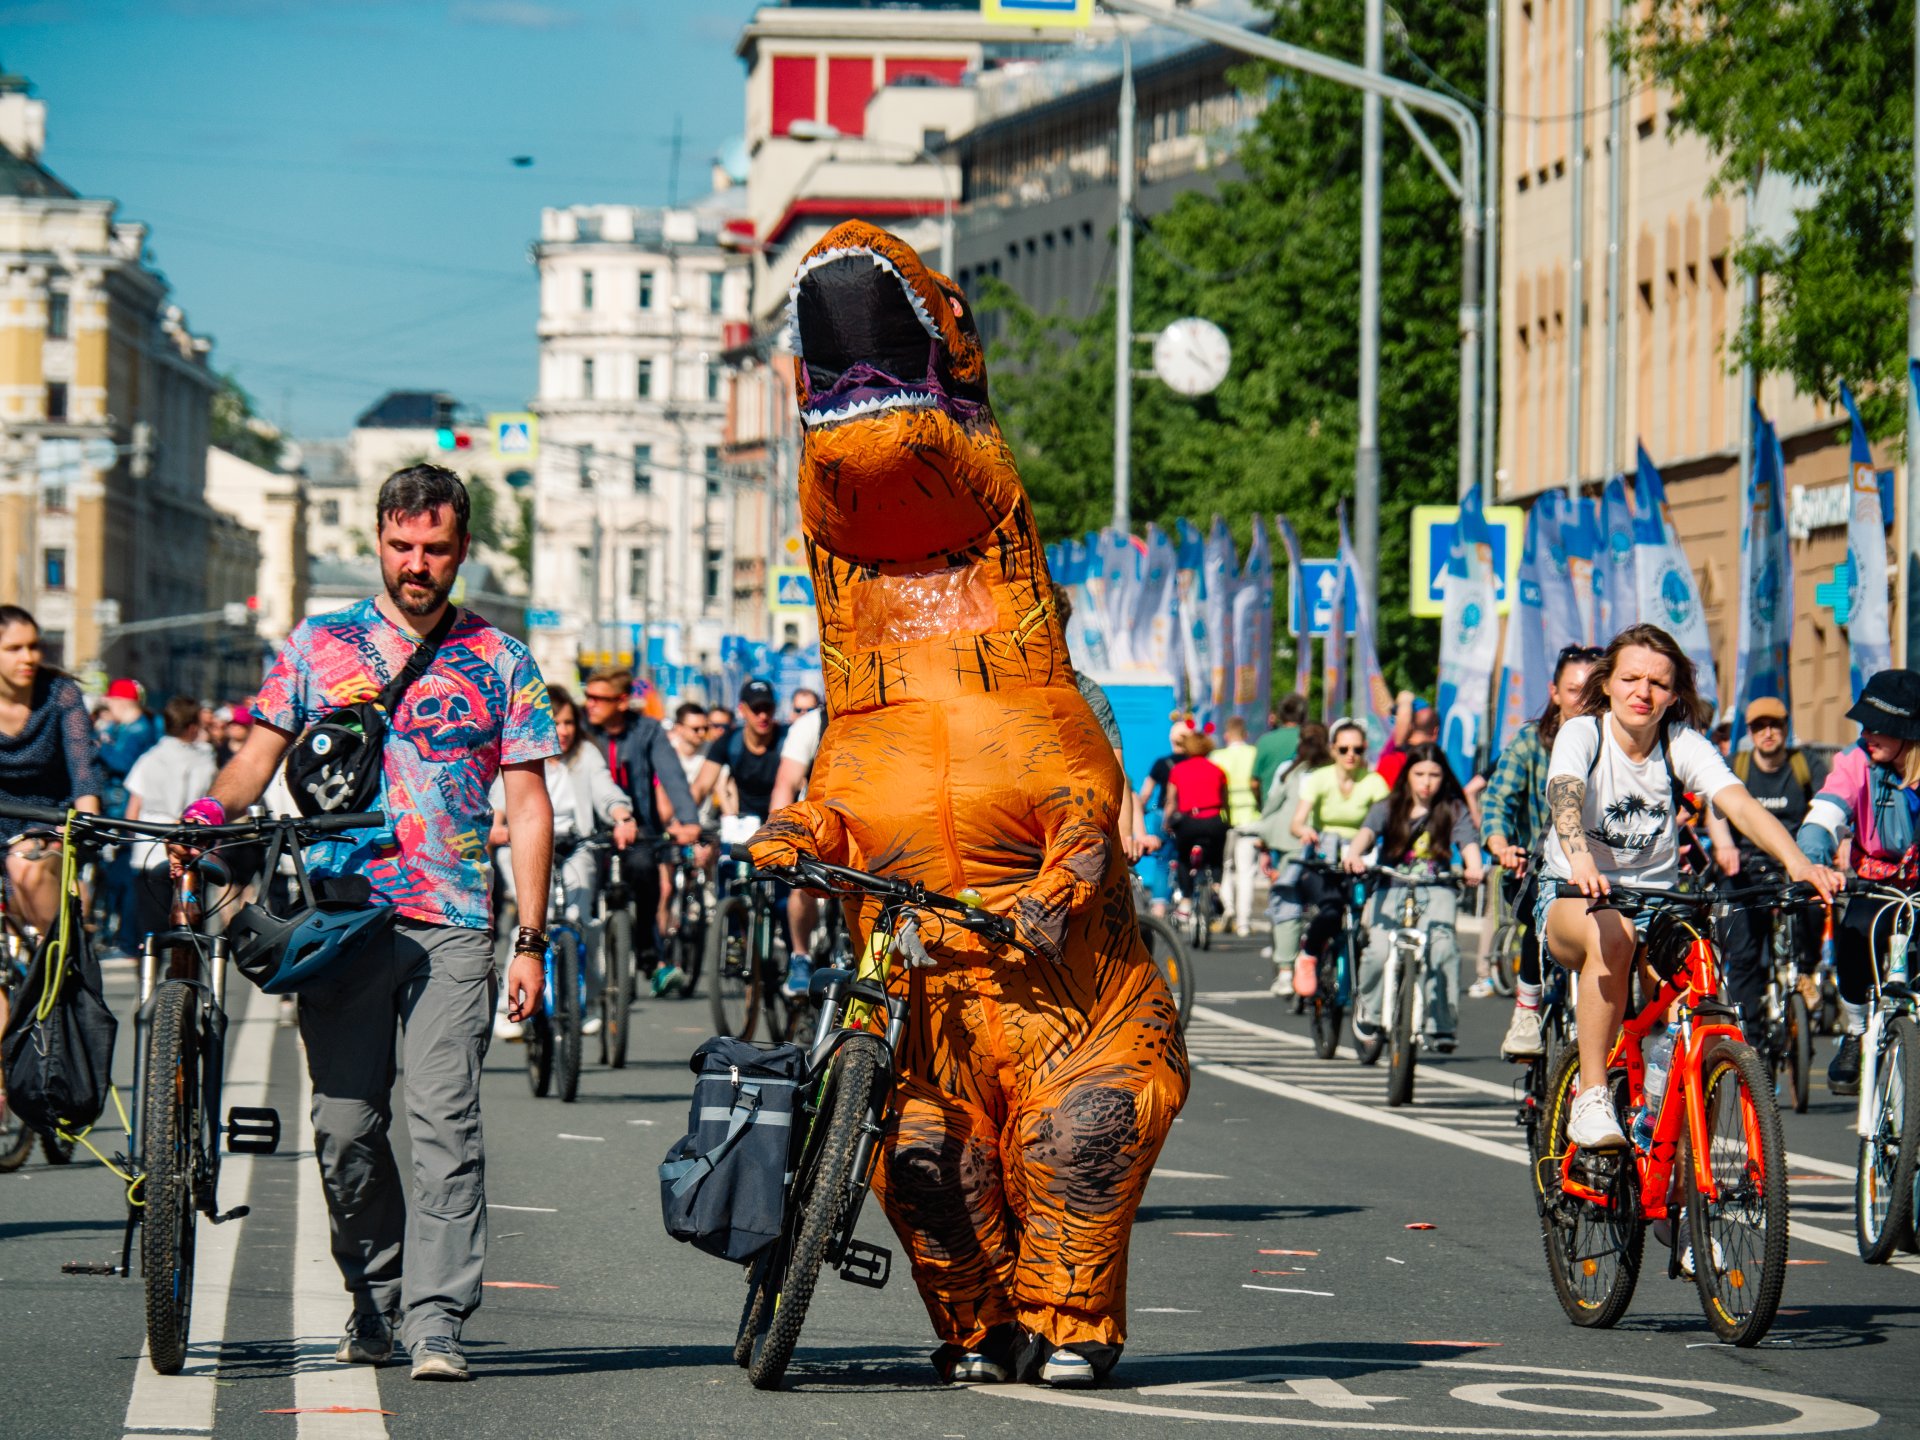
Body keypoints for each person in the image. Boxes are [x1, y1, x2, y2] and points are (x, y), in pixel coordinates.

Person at [175, 464, 559, 1381]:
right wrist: (203, 821)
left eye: (434, 548)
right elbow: (254, 761)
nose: (416, 564)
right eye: (400, 546)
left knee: (445, 1124)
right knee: (346, 1128)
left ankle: (437, 1322)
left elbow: (532, 803)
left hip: (454, 921)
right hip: (339, 921)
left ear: (461, 548)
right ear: (378, 543)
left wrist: (533, 937)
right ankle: (374, 1292)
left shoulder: (502, 659)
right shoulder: (320, 644)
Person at [1540, 624, 1840, 1150]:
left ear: (1674, 694)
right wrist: (1581, 858)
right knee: (1612, 936)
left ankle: (1671, 1137)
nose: (1643, 692)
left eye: (1658, 683)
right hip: (1575, 893)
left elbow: (1740, 804)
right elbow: (1565, 794)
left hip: (1658, 901)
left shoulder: (1682, 745)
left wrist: (1799, 863)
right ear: (1607, 683)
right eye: (1631, 678)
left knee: (1699, 987)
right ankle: (1590, 1096)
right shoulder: (1583, 734)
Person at [1795, 669, 1920, 1094]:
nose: (1867, 733)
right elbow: (1825, 814)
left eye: (1879, 726)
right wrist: (1812, 863)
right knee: (1857, 931)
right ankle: (1853, 1031)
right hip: (1876, 882)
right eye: (1864, 723)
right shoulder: (1857, 761)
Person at [1481, 644, 1600, 1055]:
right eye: (1572, 691)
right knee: (1537, 908)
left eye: (1590, 692)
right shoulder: (1532, 742)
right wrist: (1500, 844)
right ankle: (1527, 1007)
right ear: (1554, 692)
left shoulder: (1614, 744)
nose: (1581, 702)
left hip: (1600, 874)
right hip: (1534, 866)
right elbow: (1498, 798)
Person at [1342, 743, 1484, 1050]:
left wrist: (1474, 866)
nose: (1426, 782)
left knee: (1443, 947)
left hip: (1437, 887)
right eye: (1419, 773)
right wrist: (1354, 854)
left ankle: (1441, 1024)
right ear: (1407, 775)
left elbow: (1468, 843)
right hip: (1391, 885)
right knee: (1377, 951)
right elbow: (1366, 833)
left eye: (1434, 774)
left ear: (1443, 777)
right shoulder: (1388, 807)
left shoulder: (1453, 809)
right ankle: (1369, 1008)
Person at [1707, 695, 1825, 1047]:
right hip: (1744, 867)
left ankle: (1804, 971)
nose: (1768, 733)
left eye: (1775, 725)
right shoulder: (1736, 765)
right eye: (1759, 726)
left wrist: (1830, 850)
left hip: (1793, 863)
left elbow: (1828, 804)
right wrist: (1724, 844)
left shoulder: (1806, 765)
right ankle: (1751, 1043)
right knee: (1743, 956)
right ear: (1751, 732)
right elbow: (1715, 808)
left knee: (1816, 908)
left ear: (1786, 729)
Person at [579, 666, 702, 995]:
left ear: (621, 701)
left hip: (641, 829)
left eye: (598, 699)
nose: (590, 704)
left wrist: (689, 820)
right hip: (588, 827)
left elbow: (672, 775)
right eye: (587, 696)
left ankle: (648, 949)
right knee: (583, 890)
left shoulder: (647, 730)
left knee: (646, 874)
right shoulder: (577, 726)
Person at [0, 605, 102, 934]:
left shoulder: (59, 694)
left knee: (25, 867)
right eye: (14, 649)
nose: (28, 657)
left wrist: (85, 824)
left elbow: (83, 771)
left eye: (34, 646)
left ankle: (63, 970)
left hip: (49, 825)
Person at [1289, 719, 1390, 996]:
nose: (1350, 755)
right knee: (1331, 910)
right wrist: (1306, 830)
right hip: (1325, 858)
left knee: (1368, 920)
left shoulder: (1374, 782)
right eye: (1344, 749)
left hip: (1360, 859)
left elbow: (1387, 820)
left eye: (1357, 749)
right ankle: (1308, 957)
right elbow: (1296, 822)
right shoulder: (1320, 778)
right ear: (1333, 749)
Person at [124, 695, 219, 943]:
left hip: (149, 845)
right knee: (191, 922)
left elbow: (133, 808)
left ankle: (149, 972)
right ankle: (189, 976)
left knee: (151, 925)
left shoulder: (149, 758)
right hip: (192, 845)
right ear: (192, 727)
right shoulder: (204, 761)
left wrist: (129, 838)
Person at [1257, 722, 1330, 997]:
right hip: (1327, 845)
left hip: (1291, 844)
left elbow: (1271, 808)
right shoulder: (1335, 772)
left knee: (1288, 902)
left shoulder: (1288, 772)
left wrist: (1262, 843)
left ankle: (1286, 972)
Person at [98, 676, 161, 955]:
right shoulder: (132, 727)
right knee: (119, 878)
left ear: (120, 701)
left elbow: (124, 764)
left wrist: (99, 745)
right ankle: (126, 938)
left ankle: (128, 940)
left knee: (124, 879)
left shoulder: (137, 729)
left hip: (124, 810)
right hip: (120, 807)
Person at [1162, 725, 1229, 915]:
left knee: (1183, 858)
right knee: (1216, 858)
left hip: (1189, 821)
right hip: (1214, 820)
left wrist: (1167, 822)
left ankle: (1186, 900)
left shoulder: (1178, 770)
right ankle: (1215, 887)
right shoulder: (1218, 770)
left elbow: (1171, 802)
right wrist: (1227, 822)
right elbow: (1225, 802)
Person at [1209, 716, 1263, 935]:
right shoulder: (1254, 754)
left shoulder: (1216, 756)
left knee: (1226, 868)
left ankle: (1228, 906)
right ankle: (1243, 922)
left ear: (1226, 736)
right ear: (1246, 735)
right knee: (1246, 872)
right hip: (1250, 817)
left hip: (1225, 819)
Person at [1252, 694, 1310, 812]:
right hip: (1303, 809)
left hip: (1271, 809)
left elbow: (1254, 783)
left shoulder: (1265, 741)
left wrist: (1260, 804)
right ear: (1303, 715)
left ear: (1280, 715)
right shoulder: (1310, 739)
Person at [1376, 694, 1439, 789]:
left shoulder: (1393, 757)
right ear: (1435, 731)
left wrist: (1405, 701)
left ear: (1409, 726)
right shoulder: (1440, 763)